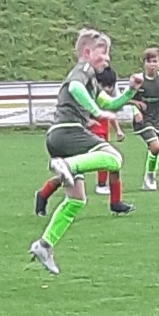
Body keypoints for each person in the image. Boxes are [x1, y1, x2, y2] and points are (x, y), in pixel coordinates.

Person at [28, 28, 143, 275]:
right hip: (68, 131)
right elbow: (74, 89)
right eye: (104, 53)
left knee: (76, 199)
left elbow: (111, 103)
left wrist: (131, 90)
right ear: (88, 53)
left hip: (58, 138)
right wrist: (97, 113)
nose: (107, 59)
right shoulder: (83, 71)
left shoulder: (91, 80)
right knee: (114, 158)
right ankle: (68, 166)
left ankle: (44, 245)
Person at [34, 66, 130, 217]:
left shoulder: (98, 95)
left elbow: (111, 110)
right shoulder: (82, 91)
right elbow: (75, 109)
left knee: (103, 165)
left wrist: (118, 129)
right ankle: (105, 191)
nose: (107, 89)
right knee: (107, 160)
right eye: (104, 85)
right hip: (76, 136)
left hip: (87, 136)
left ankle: (115, 201)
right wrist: (89, 121)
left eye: (110, 85)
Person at [129, 47, 159, 191]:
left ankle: (149, 177)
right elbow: (128, 98)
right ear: (144, 63)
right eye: (149, 61)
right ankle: (150, 177)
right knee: (156, 146)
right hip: (142, 120)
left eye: (155, 61)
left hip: (157, 120)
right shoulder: (138, 79)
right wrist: (135, 111)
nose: (152, 65)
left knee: (155, 150)